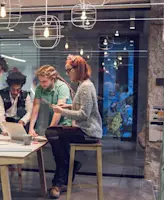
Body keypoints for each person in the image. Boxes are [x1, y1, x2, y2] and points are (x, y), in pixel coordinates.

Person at [47, 55, 103, 199]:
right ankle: (66, 172)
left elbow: (84, 114)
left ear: (77, 69)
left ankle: (62, 176)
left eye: (68, 70)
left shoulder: (85, 87)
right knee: (56, 135)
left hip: (89, 131)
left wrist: (62, 111)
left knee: (52, 133)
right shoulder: (84, 84)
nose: (67, 73)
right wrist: (67, 106)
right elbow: (83, 107)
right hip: (85, 129)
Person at [28, 65, 73, 137]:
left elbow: (58, 111)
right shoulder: (39, 88)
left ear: (52, 79)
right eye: (40, 81)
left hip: (66, 122)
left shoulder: (62, 87)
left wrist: (49, 131)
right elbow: (35, 108)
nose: (42, 84)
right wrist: (31, 129)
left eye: (45, 81)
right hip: (54, 120)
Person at [0, 70, 32, 135]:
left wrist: (23, 121)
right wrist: (5, 130)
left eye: (18, 90)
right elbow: (0, 114)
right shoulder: (1, 94)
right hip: (5, 123)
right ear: (9, 87)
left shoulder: (25, 95)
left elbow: (30, 111)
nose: (15, 92)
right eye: (13, 89)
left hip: (21, 124)